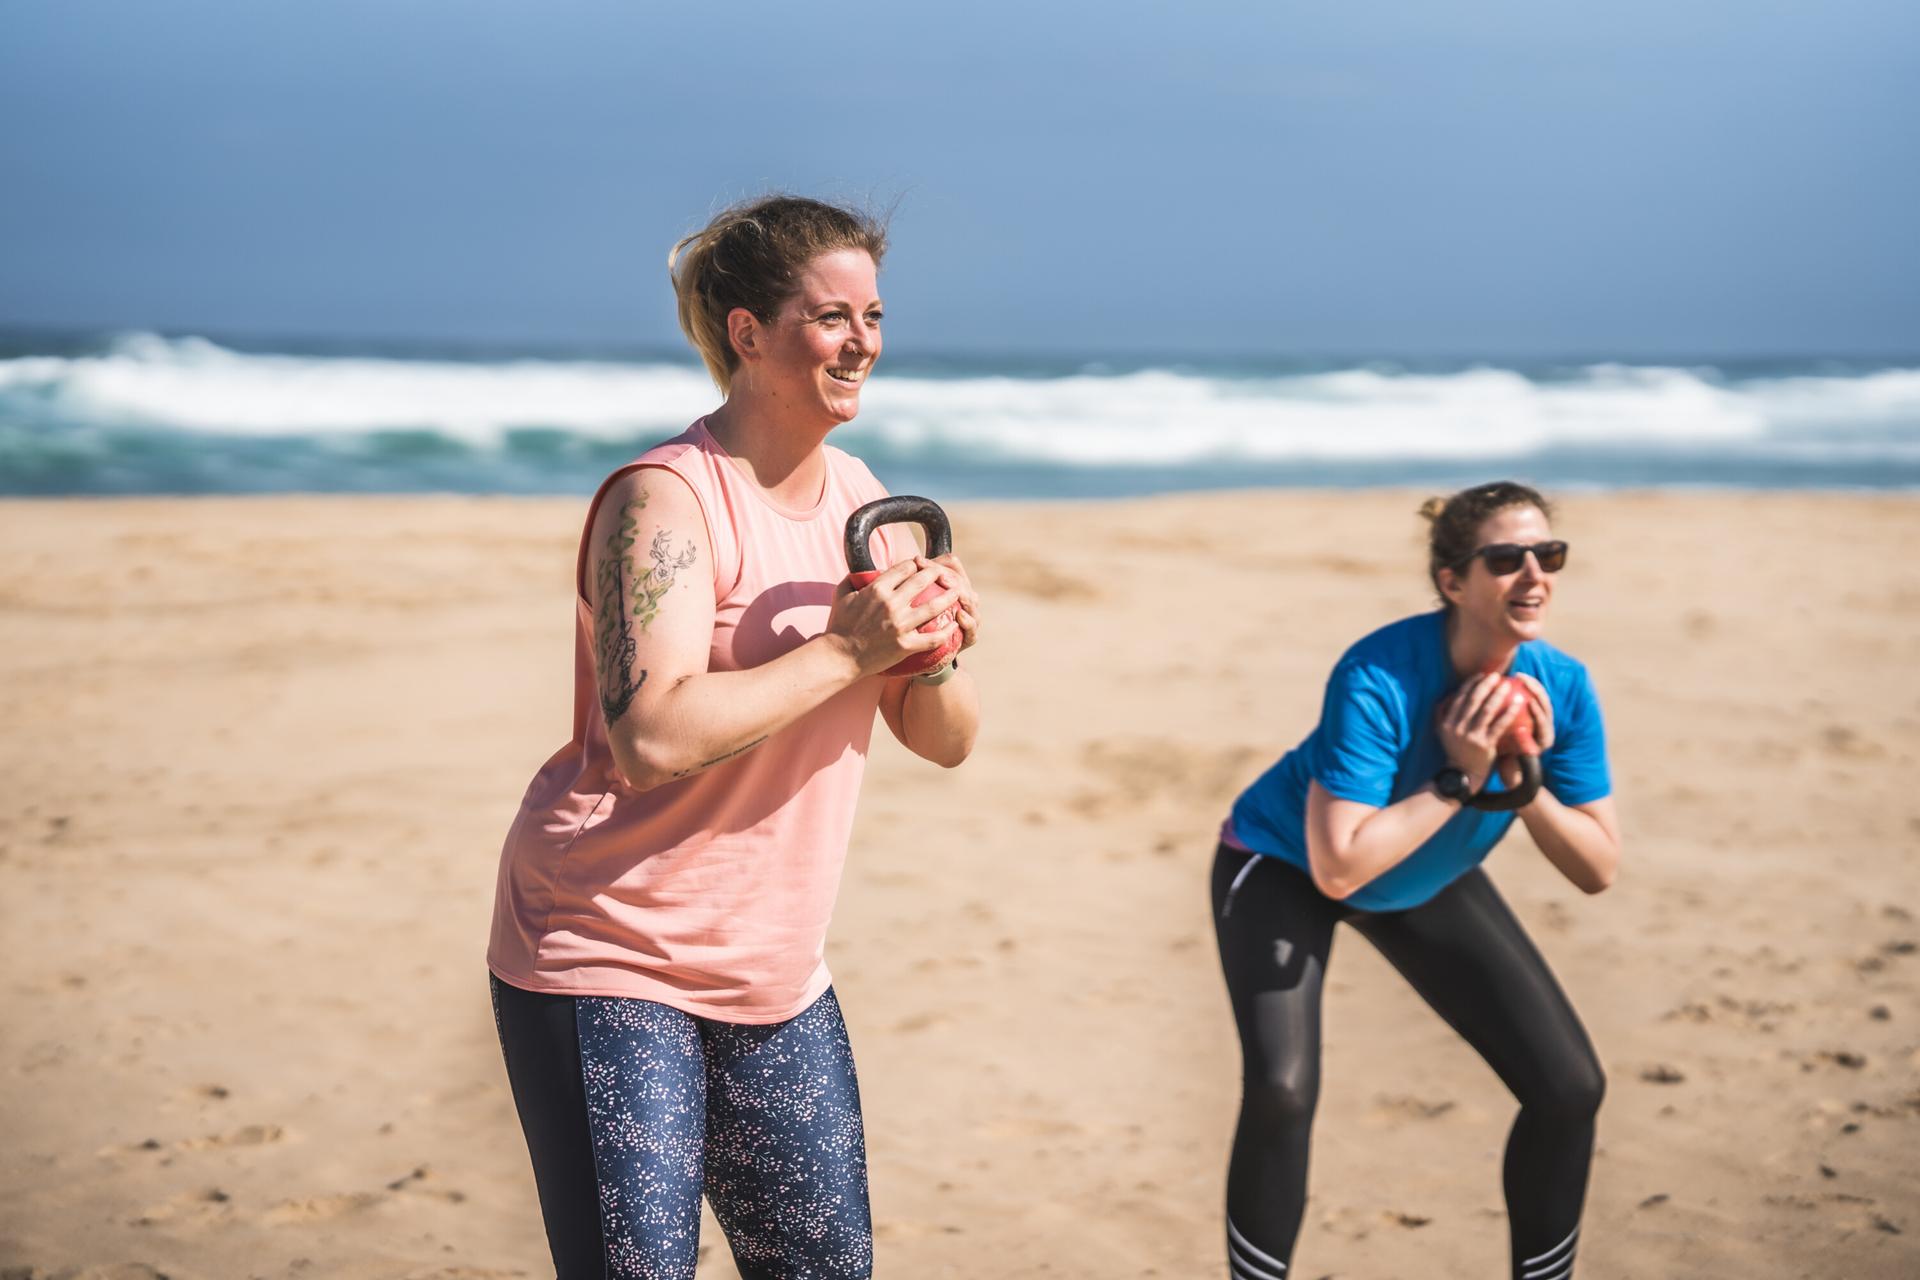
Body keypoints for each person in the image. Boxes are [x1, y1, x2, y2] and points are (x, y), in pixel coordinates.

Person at [486, 194, 982, 1279]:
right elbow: (650, 738)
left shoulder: (870, 505)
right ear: (748, 330)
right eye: (830, 315)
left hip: (774, 970)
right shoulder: (664, 501)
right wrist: (849, 653)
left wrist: (930, 652)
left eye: (875, 314)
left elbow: (943, 739)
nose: (864, 342)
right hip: (608, 952)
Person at [1211, 481, 1620, 1280]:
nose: (1534, 575)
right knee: (1284, 1091)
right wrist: (1460, 780)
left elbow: (1598, 867)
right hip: (1281, 864)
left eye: (1549, 555)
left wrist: (1524, 783)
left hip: (1421, 874)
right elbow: (1337, 867)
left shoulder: (1559, 687)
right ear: (1452, 582)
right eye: (1506, 559)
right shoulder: (1380, 674)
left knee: (1570, 1088)